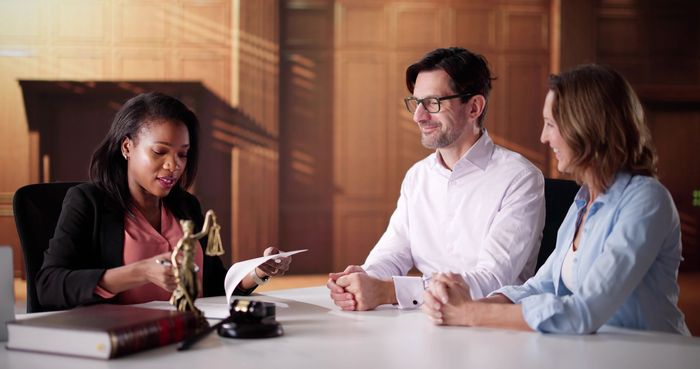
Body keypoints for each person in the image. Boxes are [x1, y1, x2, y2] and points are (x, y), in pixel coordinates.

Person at [422, 64, 690, 335]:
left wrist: (471, 313)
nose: (543, 137)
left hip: (654, 356)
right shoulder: (583, 200)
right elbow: (541, 286)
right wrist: (469, 303)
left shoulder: (646, 200)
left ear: (586, 127)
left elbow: (584, 311)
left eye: (550, 124)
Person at [327, 47, 546, 311]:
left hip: (490, 329)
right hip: (419, 320)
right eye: (416, 103)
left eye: (433, 103)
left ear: (474, 107)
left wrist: (388, 291)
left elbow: (492, 279)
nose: (419, 116)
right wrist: (365, 278)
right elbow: (394, 251)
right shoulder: (417, 176)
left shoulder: (520, 178)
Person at [36, 92, 291, 310]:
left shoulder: (187, 206)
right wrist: (141, 272)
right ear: (127, 147)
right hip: (126, 343)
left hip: (189, 334)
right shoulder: (88, 202)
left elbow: (211, 286)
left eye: (183, 154)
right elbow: (48, 286)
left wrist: (258, 272)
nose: (173, 165)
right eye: (159, 152)